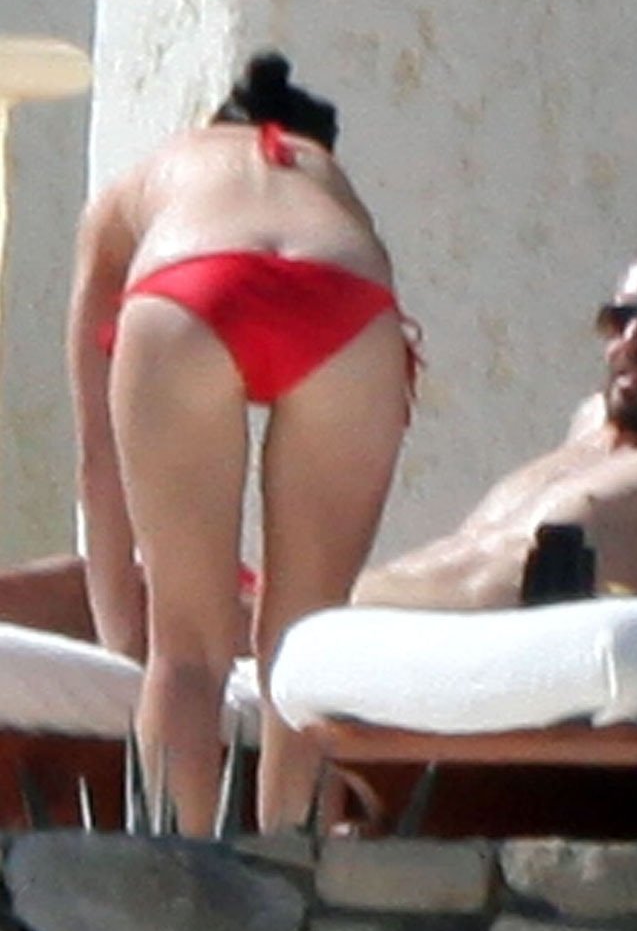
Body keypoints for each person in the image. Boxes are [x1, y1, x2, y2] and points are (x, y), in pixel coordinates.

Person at [67, 51, 414, 836]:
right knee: (305, 640)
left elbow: (97, 453)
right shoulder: (327, 183)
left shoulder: (141, 184)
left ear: (212, 128)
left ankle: (179, 882)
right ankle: (296, 871)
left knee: (187, 652)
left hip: (190, 281)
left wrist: (124, 642)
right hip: (345, 295)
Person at [353, 232, 637, 607]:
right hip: (360, 622)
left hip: (472, 651)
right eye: (619, 320)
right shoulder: (590, 423)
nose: (630, 343)